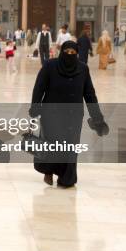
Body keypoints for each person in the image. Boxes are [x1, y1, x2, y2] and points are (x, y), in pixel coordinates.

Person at [30, 40, 106, 188]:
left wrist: (97, 117)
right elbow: (39, 87)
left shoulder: (83, 69)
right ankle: (49, 170)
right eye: (67, 52)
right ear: (62, 52)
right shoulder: (50, 66)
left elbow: (89, 94)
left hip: (73, 115)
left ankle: (67, 178)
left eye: (73, 53)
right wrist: (35, 107)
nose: (70, 55)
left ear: (77, 53)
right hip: (51, 114)